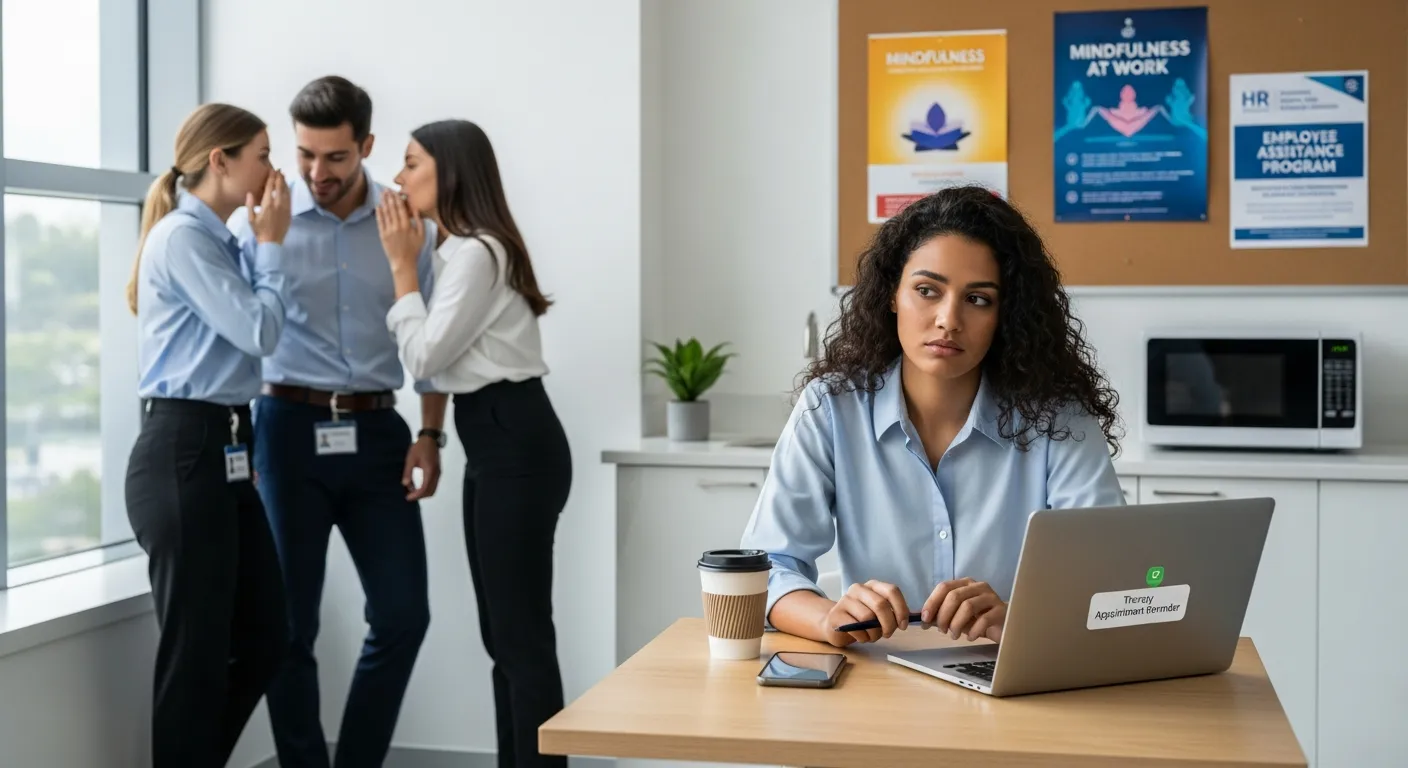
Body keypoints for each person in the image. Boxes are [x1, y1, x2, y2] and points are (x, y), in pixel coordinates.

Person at [740, 186, 1125, 649]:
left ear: (1007, 315)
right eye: (927, 291)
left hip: (1014, 685)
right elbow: (770, 566)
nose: (948, 319)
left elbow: (1106, 580)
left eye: (978, 299)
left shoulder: (1057, 419)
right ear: (891, 295)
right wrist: (828, 619)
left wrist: (1022, 619)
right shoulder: (832, 408)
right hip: (876, 680)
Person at [234, 76, 443, 768]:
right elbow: (234, 331)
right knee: (289, 628)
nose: (317, 174)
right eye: (304, 156)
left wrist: (430, 433)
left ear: (368, 147)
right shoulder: (261, 220)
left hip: (380, 432)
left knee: (404, 616)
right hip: (284, 431)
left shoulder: (407, 223)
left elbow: (433, 345)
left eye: (335, 158)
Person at [375, 119, 571, 768]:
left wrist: (402, 271)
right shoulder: (457, 251)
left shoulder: (479, 252)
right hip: (490, 438)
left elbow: (427, 353)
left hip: (514, 437)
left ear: (449, 171)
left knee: (520, 639)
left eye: (411, 164)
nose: (400, 179)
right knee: (504, 638)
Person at [123, 102, 293, 766]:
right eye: (262, 154)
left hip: (223, 447)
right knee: (194, 657)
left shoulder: (218, 238)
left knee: (264, 636)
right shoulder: (184, 238)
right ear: (221, 160)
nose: (273, 169)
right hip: (182, 451)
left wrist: (259, 241)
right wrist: (272, 244)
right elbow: (260, 333)